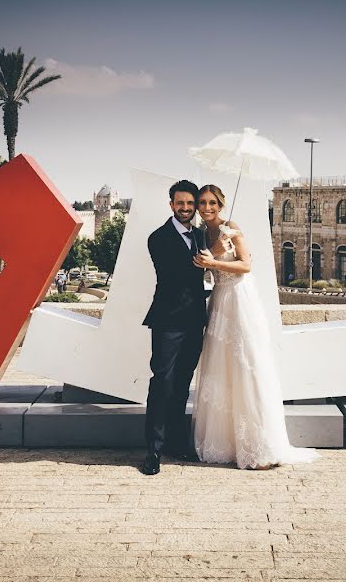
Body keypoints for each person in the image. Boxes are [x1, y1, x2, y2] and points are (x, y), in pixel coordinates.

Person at [191, 185, 319, 470]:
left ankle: (258, 446)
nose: (207, 207)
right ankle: (226, 444)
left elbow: (247, 265)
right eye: (203, 202)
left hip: (239, 300)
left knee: (246, 365)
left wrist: (212, 261)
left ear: (221, 205)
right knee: (221, 369)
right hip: (219, 303)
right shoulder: (202, 234)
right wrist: (209, 260)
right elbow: (205, 270)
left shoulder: (231, 227)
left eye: (212, 202)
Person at [139, 180, 208, 475]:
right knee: (162, 382)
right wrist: (206, 264)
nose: (185, 208)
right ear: (171, 204)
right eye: (180, 203)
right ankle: (153, 450)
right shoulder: (158, 238)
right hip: (168, 321)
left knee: (182, 384)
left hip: (195, 321)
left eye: (190, 204)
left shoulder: (201, 235)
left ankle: (176, 444)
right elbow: (173, 275)